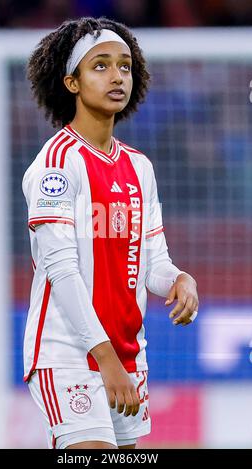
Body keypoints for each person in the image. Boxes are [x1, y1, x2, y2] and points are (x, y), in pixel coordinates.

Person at [22, 16, 199, 450]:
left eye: (124, 66)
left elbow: (153, 260)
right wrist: (104, 359)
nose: (117, 75)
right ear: (72, 83)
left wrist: (178, 279)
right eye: (100, 66)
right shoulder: (57, 164)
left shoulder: (140, 166)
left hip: (126, 355)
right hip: (69, 356)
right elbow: (61, 270)